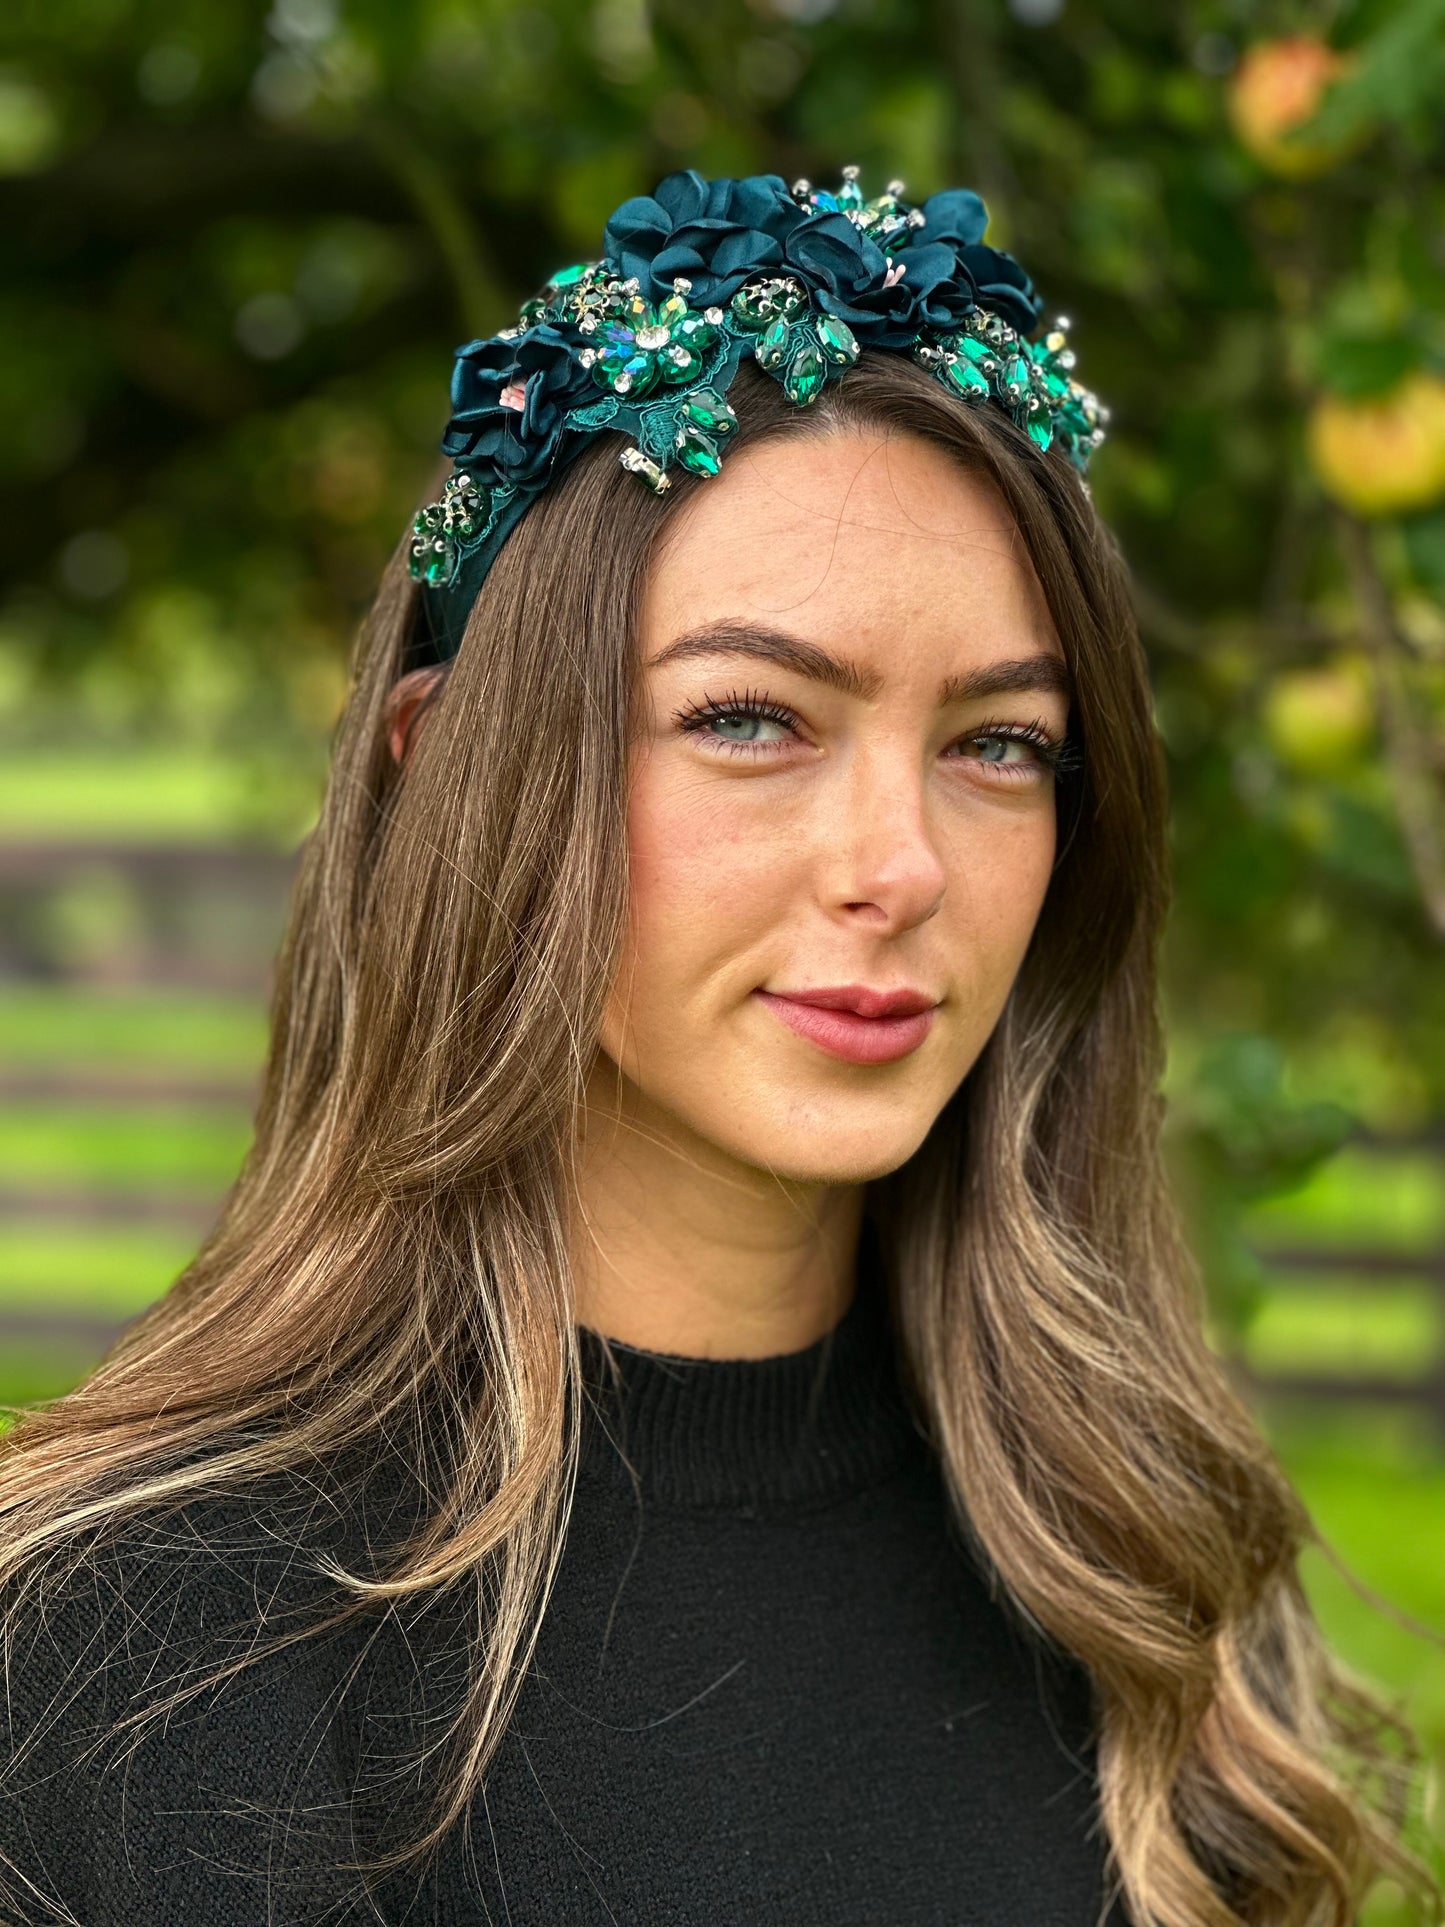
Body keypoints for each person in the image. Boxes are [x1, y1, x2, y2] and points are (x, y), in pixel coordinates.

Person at [0, 166, 1436, 1927]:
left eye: (998, 745)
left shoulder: (1148, 1595)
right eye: (750, 718)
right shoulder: (129, 1642)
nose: (898, 870)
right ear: (448, 759)